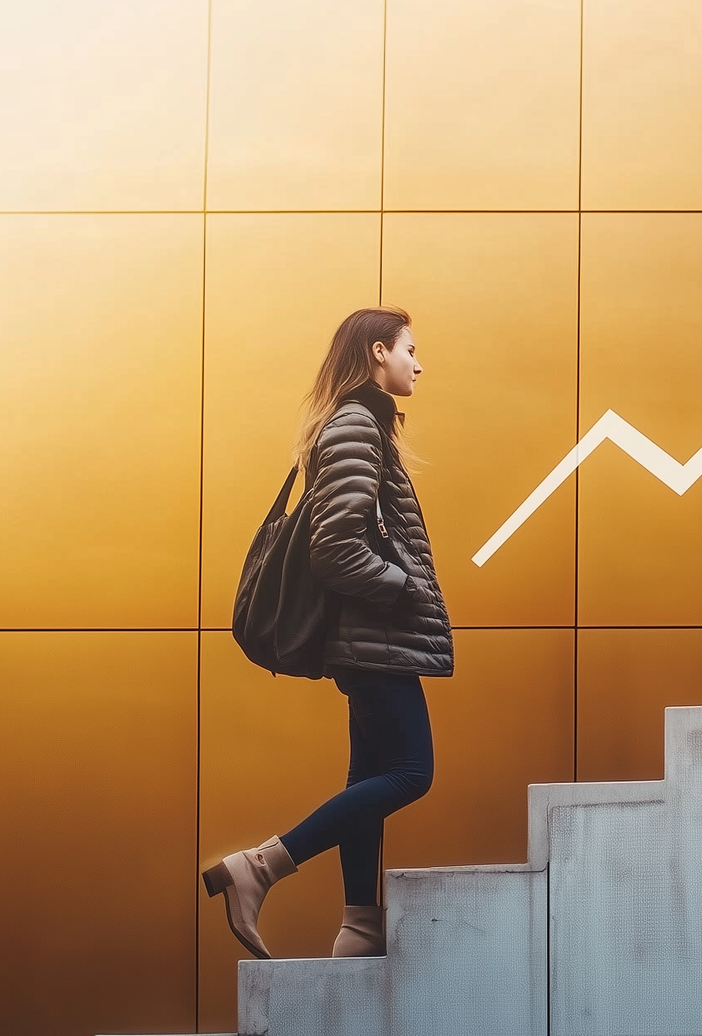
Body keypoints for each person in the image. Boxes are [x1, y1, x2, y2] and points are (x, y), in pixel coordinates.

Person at [202, 306, 454, 961]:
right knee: (411, 771)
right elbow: (336, 548)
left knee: (368, 777)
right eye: (410, 349)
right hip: (379, 640)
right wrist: (404, 587)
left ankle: (360, 926)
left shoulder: (361, 426)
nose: (419, 363)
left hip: (371, 641)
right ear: (377, 352)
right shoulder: (354, 426)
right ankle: (261, 865)